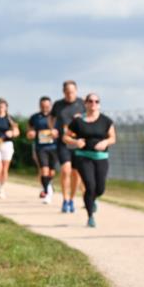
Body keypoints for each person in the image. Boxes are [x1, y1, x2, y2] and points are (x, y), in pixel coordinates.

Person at [65, 92, 115, 228]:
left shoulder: (106, 121)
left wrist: (105, 143)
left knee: (100, 189)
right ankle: (90, 216)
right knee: (90, 185)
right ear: (85, 103)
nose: (93, 104)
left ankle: (92, 200)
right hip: (83, 156)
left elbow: (112, 138)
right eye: (90, 101)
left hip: (101, 157)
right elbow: (66, 137)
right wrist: (75, 142)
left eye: (96, 101)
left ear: (99, 104)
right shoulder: (78, 121)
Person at [52, 80, 85, 213]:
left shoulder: (82, 103)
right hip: (63, 141)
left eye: (72, 92)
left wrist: (81, 118)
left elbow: (90, 117)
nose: (70, 94)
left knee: (76, 173)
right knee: (66, 170)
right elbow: (52, 118)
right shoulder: (58, 104)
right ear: (63, 92)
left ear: (76, 91)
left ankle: (71, 199)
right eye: (67, 92)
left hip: (78, 142)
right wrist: (52, 129)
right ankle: (65, 200)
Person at [27, 96, 59, 204]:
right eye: (43, 106)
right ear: (40, 106)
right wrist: (31, 134)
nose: (45, 108)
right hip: (41, 148)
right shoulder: (34, 117)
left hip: (54, 147)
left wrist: (56, 133)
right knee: (44, 170)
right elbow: (29, 131)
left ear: (50, 106)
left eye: (47, 106)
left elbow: (63, 131)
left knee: (52, 172)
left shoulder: (56, 117)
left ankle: (48, 185)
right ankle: (47, 192)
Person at [0, 98, 20, 198]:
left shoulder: (10, 118)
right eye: (0, 106)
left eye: (3, 106)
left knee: (5, 169)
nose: (1, 108)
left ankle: (1, 188)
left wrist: (12, 133)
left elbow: (17, 132)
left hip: (7, 144)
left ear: (6, 107)